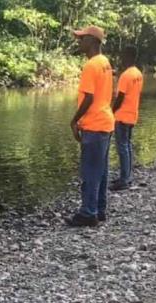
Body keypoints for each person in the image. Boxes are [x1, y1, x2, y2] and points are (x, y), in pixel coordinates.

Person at [66, 26, 115, 227]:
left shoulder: (91, 65)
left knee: (90, 172)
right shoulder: (105, 63)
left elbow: (88, 98)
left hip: (94, 124)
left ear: (93, 41)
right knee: (101, 171)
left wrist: (75, 120)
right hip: (106, 121)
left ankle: (88, 213)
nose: (79, 42)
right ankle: (99, 209)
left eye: (82, 38)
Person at [111, 45, 144, 191]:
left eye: (123, 55)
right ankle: (127, 176)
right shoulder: (138, 73)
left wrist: (111, 112)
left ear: (128, 56)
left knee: (122, 147)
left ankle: (124, 180)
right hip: (132, 115)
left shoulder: (126, 76)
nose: (121, 58)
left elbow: (120, 98)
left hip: (122, 116)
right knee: (128, 146)